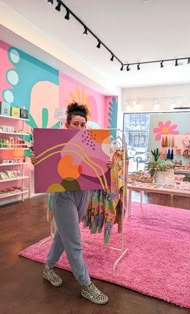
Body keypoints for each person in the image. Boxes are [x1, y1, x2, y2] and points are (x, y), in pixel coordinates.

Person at [32, 102, 112, 305]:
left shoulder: (91, 142)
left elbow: (98, 169)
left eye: (82, 124)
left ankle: (48, 268)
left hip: (83, 194)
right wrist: (37, 160)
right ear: (67, 125)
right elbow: (45, 164)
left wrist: (110, 164)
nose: (79, 128)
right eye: (75, 124)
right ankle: (86, 285)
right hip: (62, 196)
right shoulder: (55, 143)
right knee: (74, 241)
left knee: (63, 235)